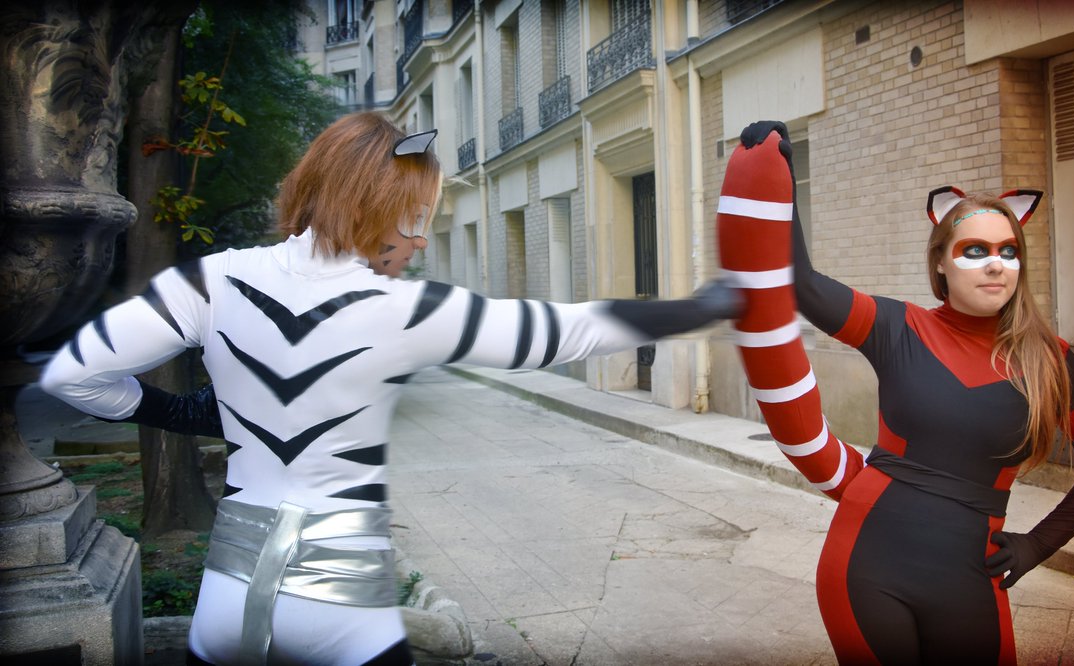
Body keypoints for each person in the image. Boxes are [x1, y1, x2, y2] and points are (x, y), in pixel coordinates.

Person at [39, 111, 740, 666]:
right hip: (345, 610)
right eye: (417, 219)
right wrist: (710, 305)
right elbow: (568, 332)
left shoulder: (211, 280)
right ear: (378, 206)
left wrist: (178, 411)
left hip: (225, 600)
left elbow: (73, 374)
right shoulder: (406, 310)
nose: (421, 241)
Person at [717, 121, 1074, 665]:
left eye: (1009, 252)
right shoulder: (899, 326)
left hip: (971, 578)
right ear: (940, 261)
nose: (995, 264)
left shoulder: (1050, 359)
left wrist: (1037, 543)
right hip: (865, 566)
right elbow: (803, 285)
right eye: (975, 250)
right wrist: (779, 173)